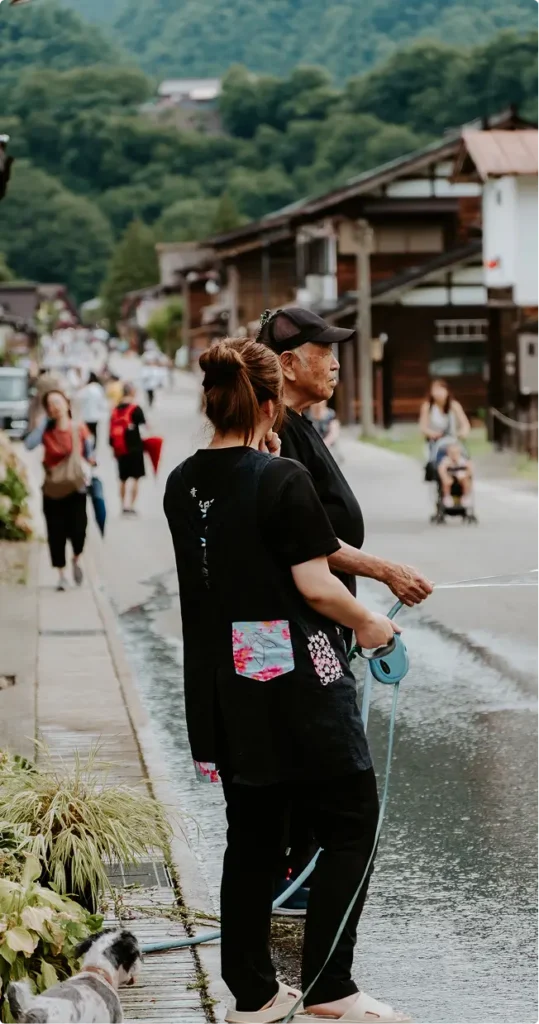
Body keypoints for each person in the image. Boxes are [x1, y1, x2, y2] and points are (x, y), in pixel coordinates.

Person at [164, 337, 411, 1024]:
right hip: (297, 682)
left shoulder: (182, 481)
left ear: (212, 402)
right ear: (270, 405)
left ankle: (253, 994)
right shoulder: (281, 479)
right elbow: (316, 585)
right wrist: (373, 625)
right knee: (351, 822)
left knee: (252, 836)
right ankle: (331, 986)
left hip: (223, 685)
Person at [257, 307, 433, 913]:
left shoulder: (301, 425)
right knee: (319, 753)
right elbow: (308, 543)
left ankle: (297, 873)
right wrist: (384, 576)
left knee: (313, 751)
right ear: (287, 364)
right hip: (302, 623)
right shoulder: (276, 432)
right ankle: (293, 880)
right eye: (324, 352)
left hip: (321, 619)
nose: (335, 363)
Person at [25, 390, 93, 591]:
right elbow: (29, 445)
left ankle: (76, 557)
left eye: (57, 401)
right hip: (52, 490)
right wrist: (43, 424)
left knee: (79, 531)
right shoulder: (46, 430)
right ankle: (62, 575)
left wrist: (90, 464)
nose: (54, 406)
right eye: (50, 404)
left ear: (66, 403)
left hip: (76, 489)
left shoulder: (79, 428)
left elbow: (89, 452)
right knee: (56, 534)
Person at [419, 378, 471, 478]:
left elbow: (465, 424)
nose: (439, 393)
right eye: (436, 390)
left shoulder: (454, 406)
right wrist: (433, 434)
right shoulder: (428, 407)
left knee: (464, 460)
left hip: (452, 440)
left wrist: (462, 433)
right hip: (435, 442)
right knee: (439, 463)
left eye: (441, 390)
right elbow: (423, 428)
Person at [109, 382, 146, 515]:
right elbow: (144, 427)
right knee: (135, 478)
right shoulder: (136, 408)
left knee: (122, 479)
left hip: (120, 449)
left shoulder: (115, 409)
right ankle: (131, 506)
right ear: (132, 392)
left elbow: (110, 432)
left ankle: (122, 506)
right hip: (135, 447)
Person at [437, 440, 473, 508]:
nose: (454, 455)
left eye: (456, 453)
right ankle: (447, 497)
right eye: (452, 453)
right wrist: (445, 477)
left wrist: (467, 474)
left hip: (461, 478)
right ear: (448, 453)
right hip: (450, 478)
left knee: (466, 481)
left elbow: (470, 468)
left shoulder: (462, 460)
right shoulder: (446, 460)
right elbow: (441, 469)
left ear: (459, 453)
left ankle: (465, 496)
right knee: (446, 483)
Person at [77, 371, 108, 443]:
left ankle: (89, 445)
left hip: (87, 415)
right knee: (94, 432)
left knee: (88, 432)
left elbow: (78, 397)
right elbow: (102, 402)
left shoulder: (87, 388)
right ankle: (94, 445)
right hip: (96, 415)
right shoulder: (98, 387)